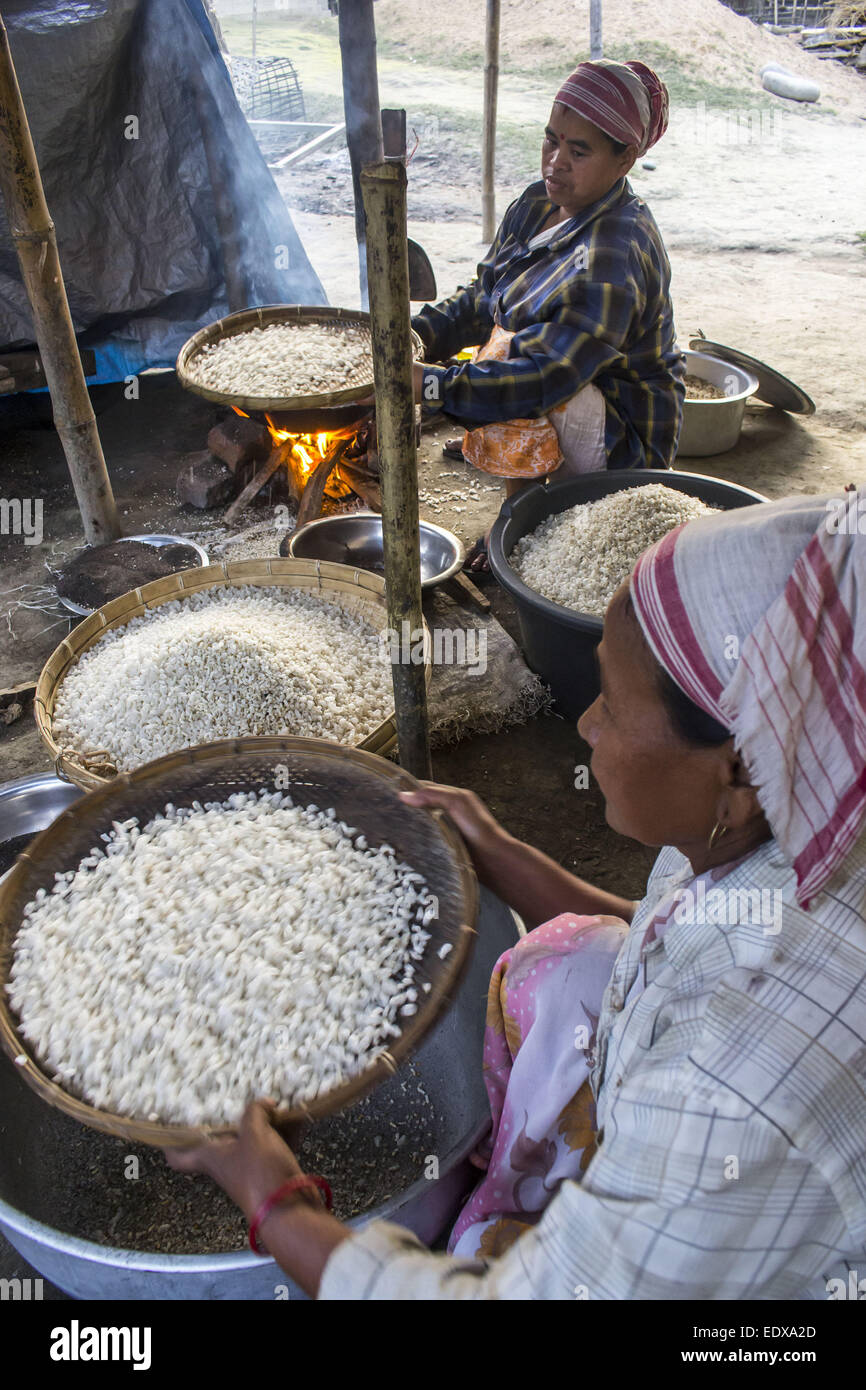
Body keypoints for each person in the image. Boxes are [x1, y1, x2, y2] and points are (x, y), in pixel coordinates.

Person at [167, 486, 866, 1299]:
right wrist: (505, 856)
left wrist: (273, 1197)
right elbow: (673, 936)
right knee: (568, 956)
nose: (586, 726)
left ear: (740, 766)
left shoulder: (731, 1091)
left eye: (611, 702)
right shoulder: (805, 797)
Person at [409, 59, 686, 571]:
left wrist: (432, 387)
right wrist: (412, 337)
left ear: (624, 160)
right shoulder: (538, 205)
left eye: (578, 151)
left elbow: (545, 377)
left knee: (509, 351)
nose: (555, 162)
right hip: (568, 396)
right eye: (550, 140)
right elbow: (483, 297)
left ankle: (523, 518)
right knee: (502, 335)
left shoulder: (616, 249)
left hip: (623, 444)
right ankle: (531, 495)